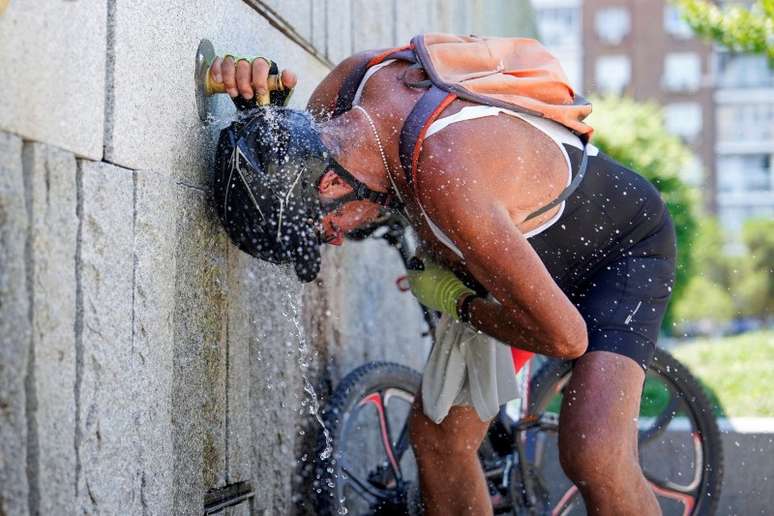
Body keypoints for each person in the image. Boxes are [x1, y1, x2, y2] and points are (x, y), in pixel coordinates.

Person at [208, 35, 675, 515]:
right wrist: (259, 112)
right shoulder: (347, 90)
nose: (334, 240)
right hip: (501, 262)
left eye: (326, 225)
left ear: (330, 183)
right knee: (438, 440)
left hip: (618, 249)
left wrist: (458, 302)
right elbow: (288, 146)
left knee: (594, 452)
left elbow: (566, 338)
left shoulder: (447, 178)